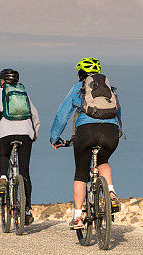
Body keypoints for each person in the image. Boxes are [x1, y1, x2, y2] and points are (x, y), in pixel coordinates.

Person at [50, 57, 121, 230]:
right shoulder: (108, 88)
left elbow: (62, 115)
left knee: (81, 173)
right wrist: (118, 130)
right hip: (111, 133)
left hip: (87, 131)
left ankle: (78, 217)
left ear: (80, 74)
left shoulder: (78, 88)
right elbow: (118, 111)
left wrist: (54, 137)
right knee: (103, 161)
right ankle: (111, 191)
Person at [0, 68, 41, 225]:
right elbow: (35, 115)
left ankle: (3, 178)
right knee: (25, 171)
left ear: (2, 81)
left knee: (4, 155)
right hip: (26, 133)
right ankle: (27, 210)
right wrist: (34, 135)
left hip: (6, 134)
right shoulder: (23, 93)